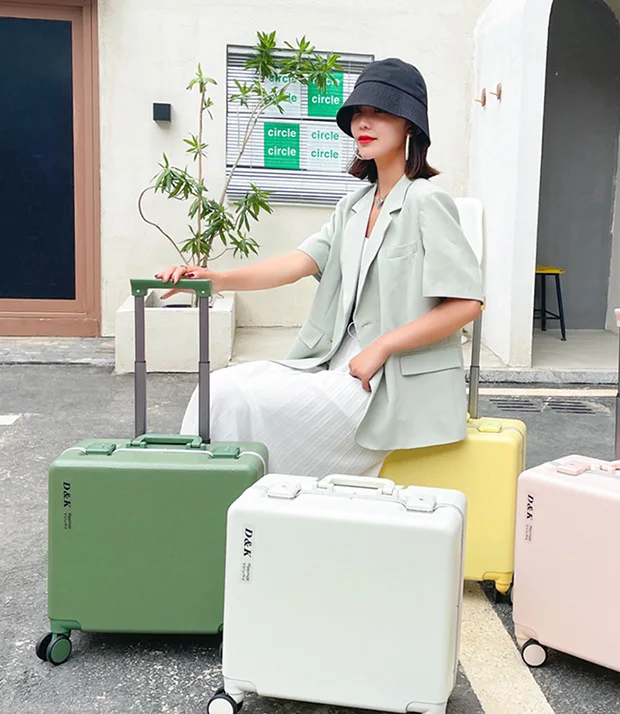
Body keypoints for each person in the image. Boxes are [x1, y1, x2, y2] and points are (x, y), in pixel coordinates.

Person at [156, 58, 483, 478]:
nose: (364, 123)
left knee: (241, 402)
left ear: (411, 127)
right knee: (219, 390)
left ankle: (229, 506)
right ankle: (210, 504)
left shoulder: (426, 202)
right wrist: (216, 278)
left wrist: (382, 347)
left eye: (379, 112)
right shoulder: (353, 206)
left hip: (387, 384)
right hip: (332, 365)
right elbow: (297, 262)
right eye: (358, 113)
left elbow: (466, 304)